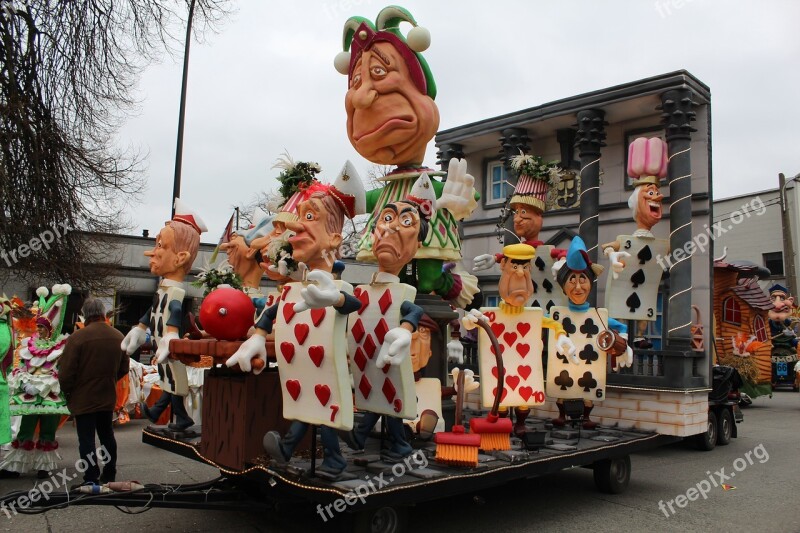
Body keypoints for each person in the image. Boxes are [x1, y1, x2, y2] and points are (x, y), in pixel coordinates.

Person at [122, 199, 207, 433]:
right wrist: (140, 328)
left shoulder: (176, 291)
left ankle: (170, 415)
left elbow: (175, 311)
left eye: (161, 245)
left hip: (170, 345)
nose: (154, 252)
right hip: (164, 345)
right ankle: (171, 416)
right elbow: (155, 309)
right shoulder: (163, 290)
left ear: (180, 258)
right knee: (169, 380)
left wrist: (170, 334)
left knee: (174, 381)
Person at [1, 284, 71, 479]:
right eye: (38, 326)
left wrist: (48, 384)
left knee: (48, 431)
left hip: (50, 397)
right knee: (25, 430)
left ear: (50, 328)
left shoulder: (60, 348)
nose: (38, 329)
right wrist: (23, 382)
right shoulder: (29, 344)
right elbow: (22, 367)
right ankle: (15, 467)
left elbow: (61, 371)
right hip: (30, 396)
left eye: (42, 326)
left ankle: (44, 467)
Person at [58, 298, 128, 485]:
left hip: (84, 397)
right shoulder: (118, 336)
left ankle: (91, 477)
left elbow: (66, 373)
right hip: (107, 395)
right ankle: (110, 470)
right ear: (103, 313)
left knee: (87, 439)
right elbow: (124, 368)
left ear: (85, 314)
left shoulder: (78, 338)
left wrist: (68, 391)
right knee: (107, 435)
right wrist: (109, 380)